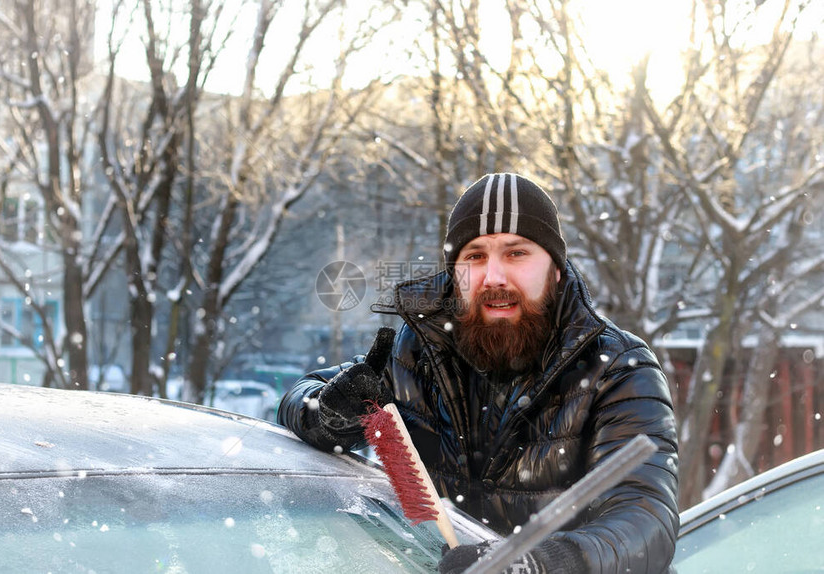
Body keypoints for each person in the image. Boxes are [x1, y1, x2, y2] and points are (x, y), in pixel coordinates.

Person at [278, 173, 679, 573]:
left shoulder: (618, 367)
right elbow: (304, 396)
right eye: (475, 256)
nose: (494, 277)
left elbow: (645, 521)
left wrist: (536, 565)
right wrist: (331, 415)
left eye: (516, 253)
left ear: (555, 269)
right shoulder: (417, 349)